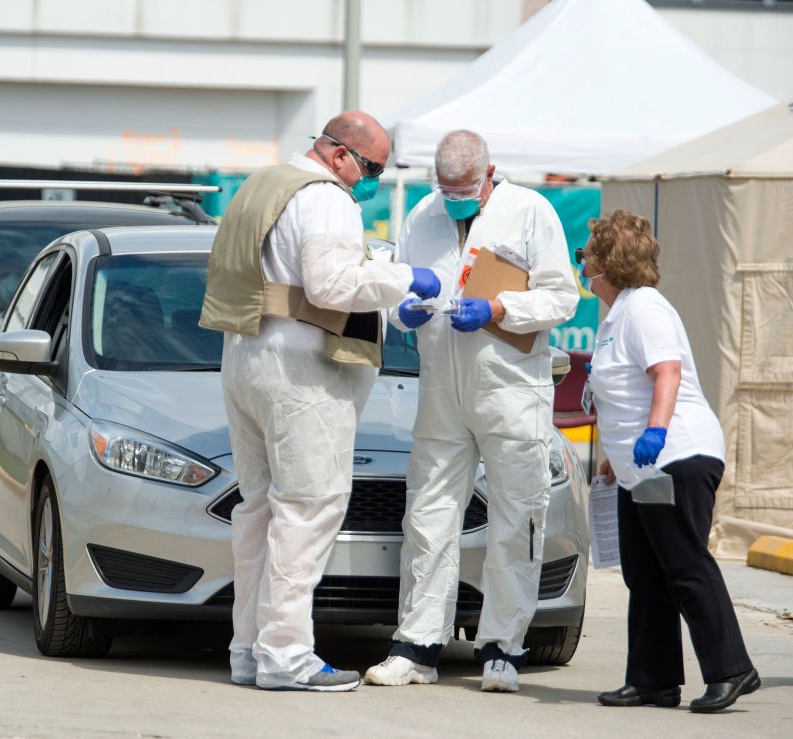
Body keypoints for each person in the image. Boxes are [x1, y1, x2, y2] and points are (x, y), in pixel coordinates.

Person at [199, 111, 441, 692]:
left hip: (246, 356)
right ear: (339, 155)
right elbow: (330, 285)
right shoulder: (326, 198)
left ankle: (250, 649)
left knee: (258, 510)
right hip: (300, 373)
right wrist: (407, 278)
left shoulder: (263, 183)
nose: (372, 179)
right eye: (372, 167)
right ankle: (287, 654)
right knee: (309, 508)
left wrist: (382, 280)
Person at [365, 130, 578, 692]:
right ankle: (416, 645)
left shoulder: (531, 212)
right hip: (441, 388)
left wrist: (501, 306)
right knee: (428, 514)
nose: (454, 199)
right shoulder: (423, 214)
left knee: (517, 515)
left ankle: (502, 648)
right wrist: (402, 313)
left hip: (510, 388)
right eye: (446, 189)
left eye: (464, 190)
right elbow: (399, 286)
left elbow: (561, 296)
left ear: (489, 173)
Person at [580, 209, 758, 713]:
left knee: (684, 563)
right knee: (646, 571)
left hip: (676, 455)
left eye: (586, 256)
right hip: (643, 468)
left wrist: (656, 430)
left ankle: (732, 669)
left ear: (608, 264)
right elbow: (623, 394)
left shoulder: (645, 309)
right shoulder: (616, 316)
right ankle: (653, 678)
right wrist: (616, 459)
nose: (583, 264)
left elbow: (666, 372)